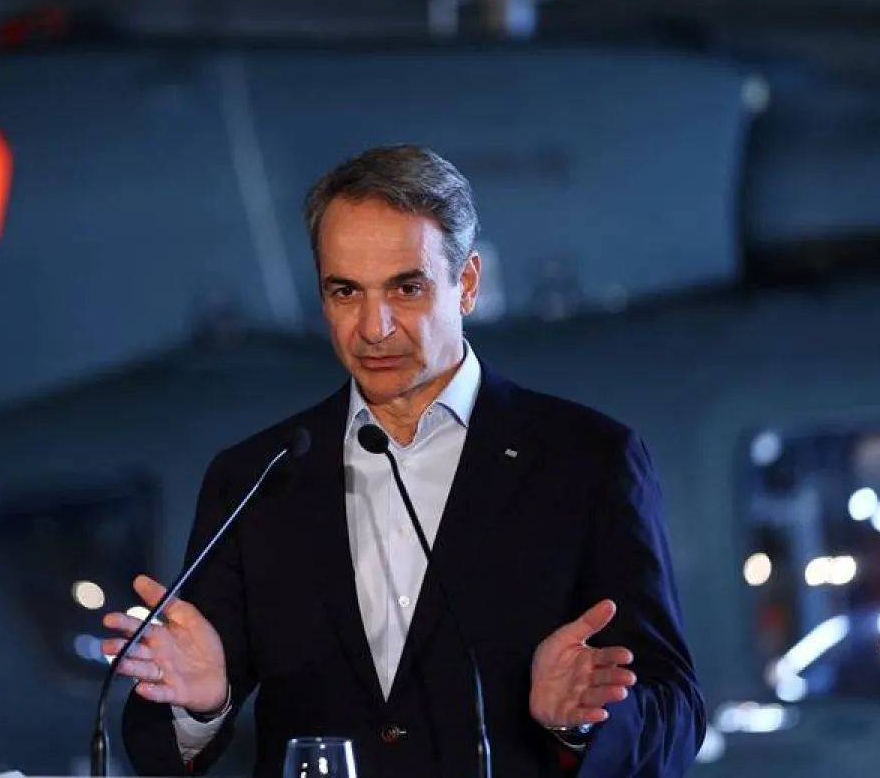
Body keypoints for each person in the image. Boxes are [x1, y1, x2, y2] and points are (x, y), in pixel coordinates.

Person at [104, 144, 705, 777]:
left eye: (406, 288)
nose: (373, 327)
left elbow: (677, 716)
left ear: (466, 284)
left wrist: (579, 720)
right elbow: (158, 747)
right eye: (345, 292)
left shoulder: (587, 461)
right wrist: (202, 706)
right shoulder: (261, 475)